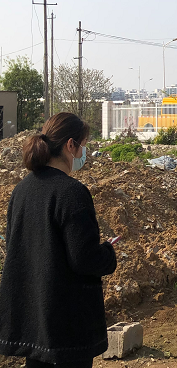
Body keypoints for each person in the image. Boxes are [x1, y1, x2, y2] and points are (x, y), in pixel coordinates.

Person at [0, 112, 117, 368]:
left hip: (33, 323)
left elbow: (15, 246)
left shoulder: (21, 190)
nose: (84, 153)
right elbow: (84, 258)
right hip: (66, 328)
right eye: (83, 145)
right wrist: (108, 253)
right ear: (70, 145)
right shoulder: (72, 193)